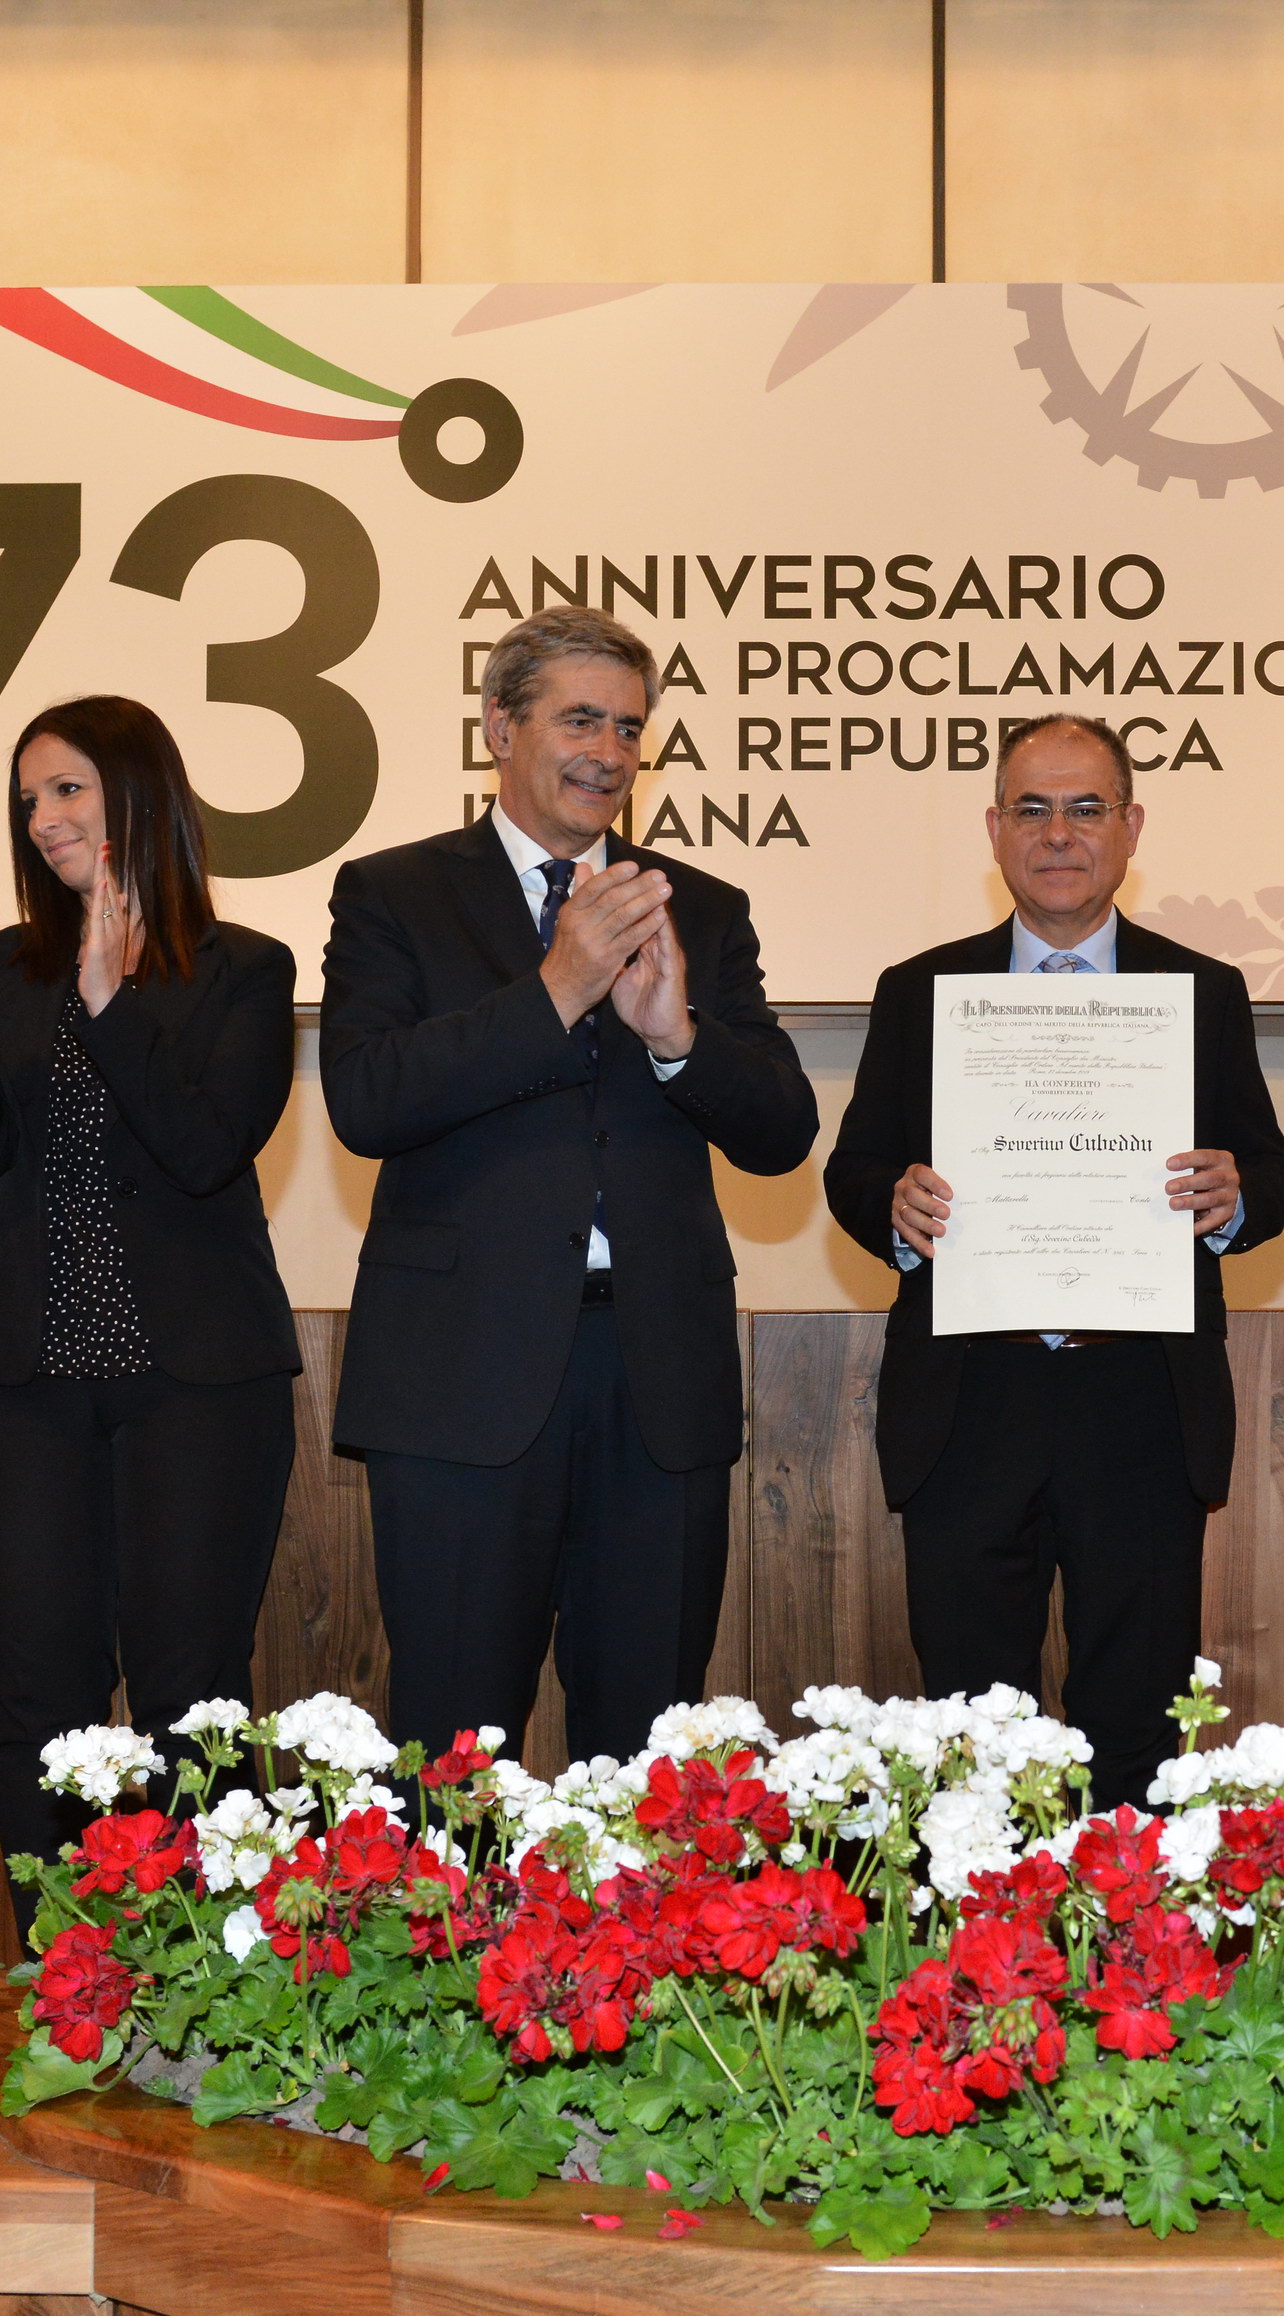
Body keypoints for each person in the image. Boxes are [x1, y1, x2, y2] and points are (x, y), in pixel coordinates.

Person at [321, 607, 817, 1768]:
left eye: (630, 728)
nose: (609, 752)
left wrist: (678, 1037)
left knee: (645, 1760)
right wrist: (555, 989)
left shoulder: (698, 907)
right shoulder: (394, 892)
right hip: (459, 1379)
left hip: (656, 1382)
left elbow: (783, 1132)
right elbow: (367, 1098)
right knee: (453, 1758)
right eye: (581, 720)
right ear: (501, 727)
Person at [0, 697, 300, 1919]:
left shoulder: (245, 969)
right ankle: (59, 1970)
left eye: (66, 789)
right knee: (37, 1688)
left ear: (137, 792)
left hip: (196, 1384)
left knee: (191, 1693)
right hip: (26, 1383)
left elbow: (205, 1150)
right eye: (28, 800)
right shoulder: (4, 967)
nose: (44, 819)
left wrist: (112, 1003)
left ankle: (199, 1977)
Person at [823, 714, 1284, 1810]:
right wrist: (894, 1202)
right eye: (1031, 808)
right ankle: (979, 1923)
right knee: (971, 1731)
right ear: (993, 829)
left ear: (1132, 826)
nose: (1059, 833)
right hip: (970, 1397)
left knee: (1139, 1724)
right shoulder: (920, 988)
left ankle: (1129, 1920)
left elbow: (1269, 1173)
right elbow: (853, 1171)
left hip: (1138, 1398)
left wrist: (1232, 1196)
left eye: (1087, 807)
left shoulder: (1202, 989)